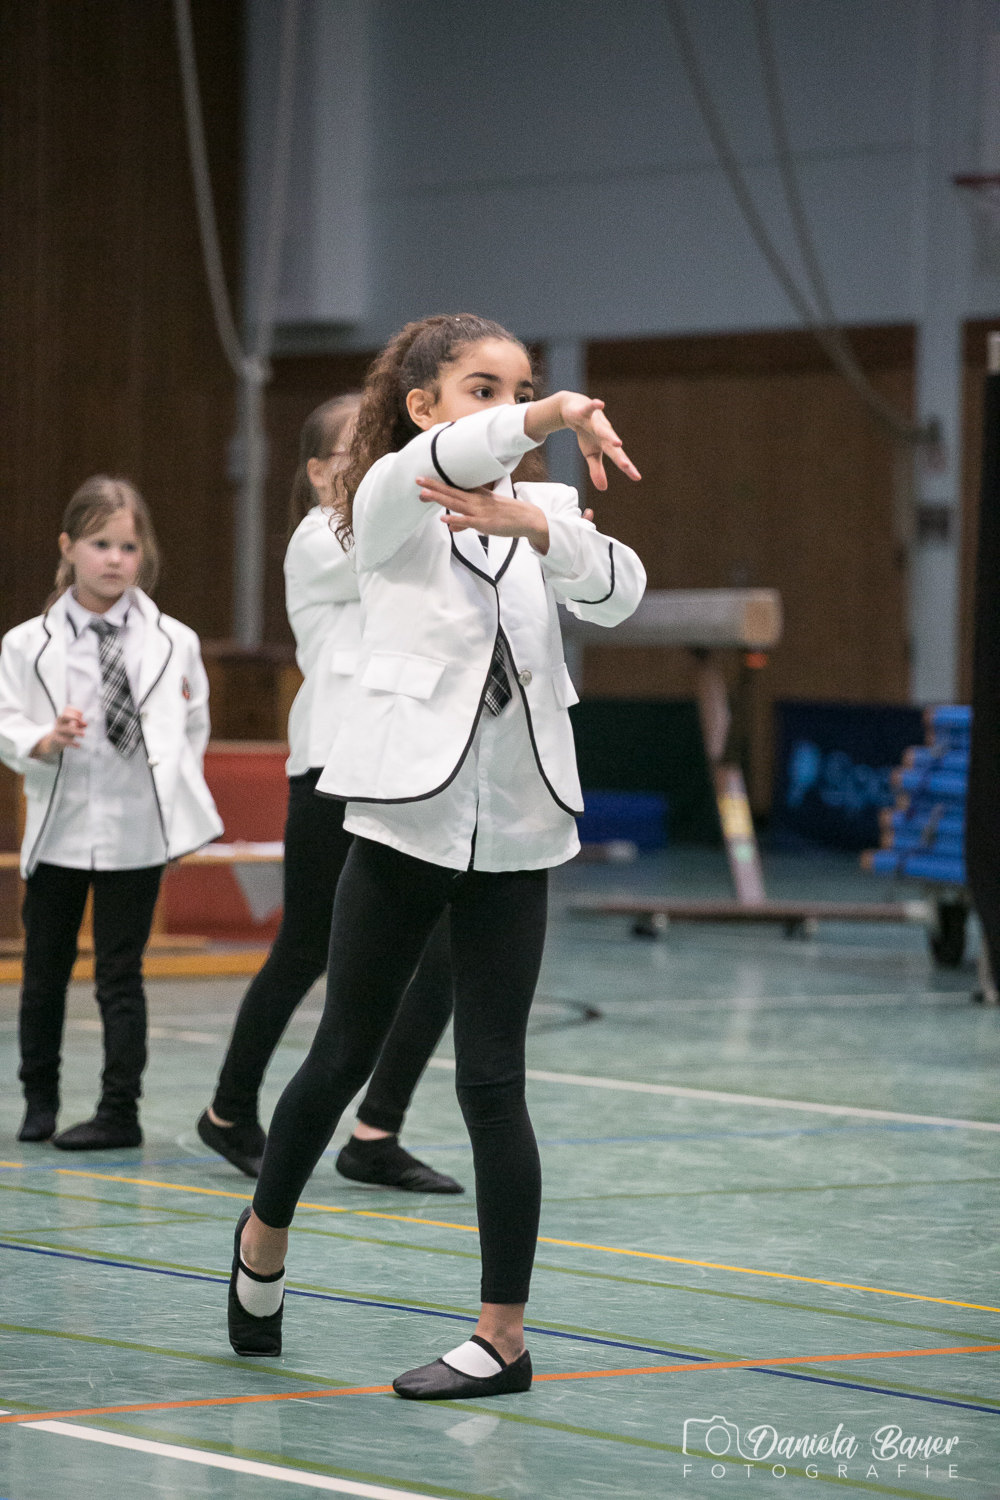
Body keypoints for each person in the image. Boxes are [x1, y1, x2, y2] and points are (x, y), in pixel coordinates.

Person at [226, 313, 645, 1401]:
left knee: (493, 1081)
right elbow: (458, 458)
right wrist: (551, 416)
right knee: (341, 1053)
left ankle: (502, 1339)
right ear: (423, 407)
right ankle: (263, 1234)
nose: (509, 407)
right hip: (408, 814)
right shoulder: (385, 497)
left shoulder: (544, 506)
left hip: (519, 821)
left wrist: (541, 526)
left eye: (523, 389)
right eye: (482, 388)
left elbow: (619, 590)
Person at [197, 394, 462, 1193]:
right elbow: (404, 545)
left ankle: (376, 1132)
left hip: (400, 769)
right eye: (359, 449)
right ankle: (228, 1112)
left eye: (388, 445)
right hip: (329, 772)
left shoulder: (407, 529)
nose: (380, 461)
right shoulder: (323, 536)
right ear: (317, 473)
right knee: (306, 949)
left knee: (442, 951)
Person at [0, 476, 223, 1150]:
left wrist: (177, 799)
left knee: (121, 977)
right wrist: (42, 740)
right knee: (45, 973)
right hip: (60, 828)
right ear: (68, 546)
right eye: (100, 544)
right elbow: (7, 718)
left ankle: (118, 1110)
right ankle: (40, 1100)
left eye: (127, 546)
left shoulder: (173, 640)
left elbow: (193, 725)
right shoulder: (27, 643)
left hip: (137, 830)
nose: (115, 559)